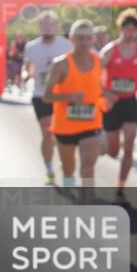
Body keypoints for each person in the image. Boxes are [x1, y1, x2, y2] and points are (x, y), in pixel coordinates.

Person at [43, 20, 115, 201]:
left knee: (88, 165)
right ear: (71, 39)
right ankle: (68, 186)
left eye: (88, 38)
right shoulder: (61, 64)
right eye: (80, 38)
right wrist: (69, 97)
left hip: (91, 123)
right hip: (64, 126)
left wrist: (107, 96)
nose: (84, 42)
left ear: (93, 40)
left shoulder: (100, 62)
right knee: (69, 169)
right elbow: (46, 95)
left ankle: (86, 202)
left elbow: (100, 86)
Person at [99, 8, 137, 207]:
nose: (130, 32)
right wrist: (105, 92)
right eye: (127, 28)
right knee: (113, 151)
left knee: (129, 145)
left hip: (130, 102)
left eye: (134, 29)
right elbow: (95, 74)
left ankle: (120, 188)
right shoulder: (110, 50)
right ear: (121, 28)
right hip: (112, 102)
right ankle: (107, 147)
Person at [22, 11, 72, 185]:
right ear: (39, 27)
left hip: (62, 96)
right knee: (47, 132)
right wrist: (26, 75)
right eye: (44, 24)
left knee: (62, 135)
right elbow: (28, 67)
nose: (48, 27)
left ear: (56, 27)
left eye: (51, 24)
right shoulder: (31, 47)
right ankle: (49, 168)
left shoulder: (66, 46)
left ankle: (65, 165)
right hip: (40, 95)